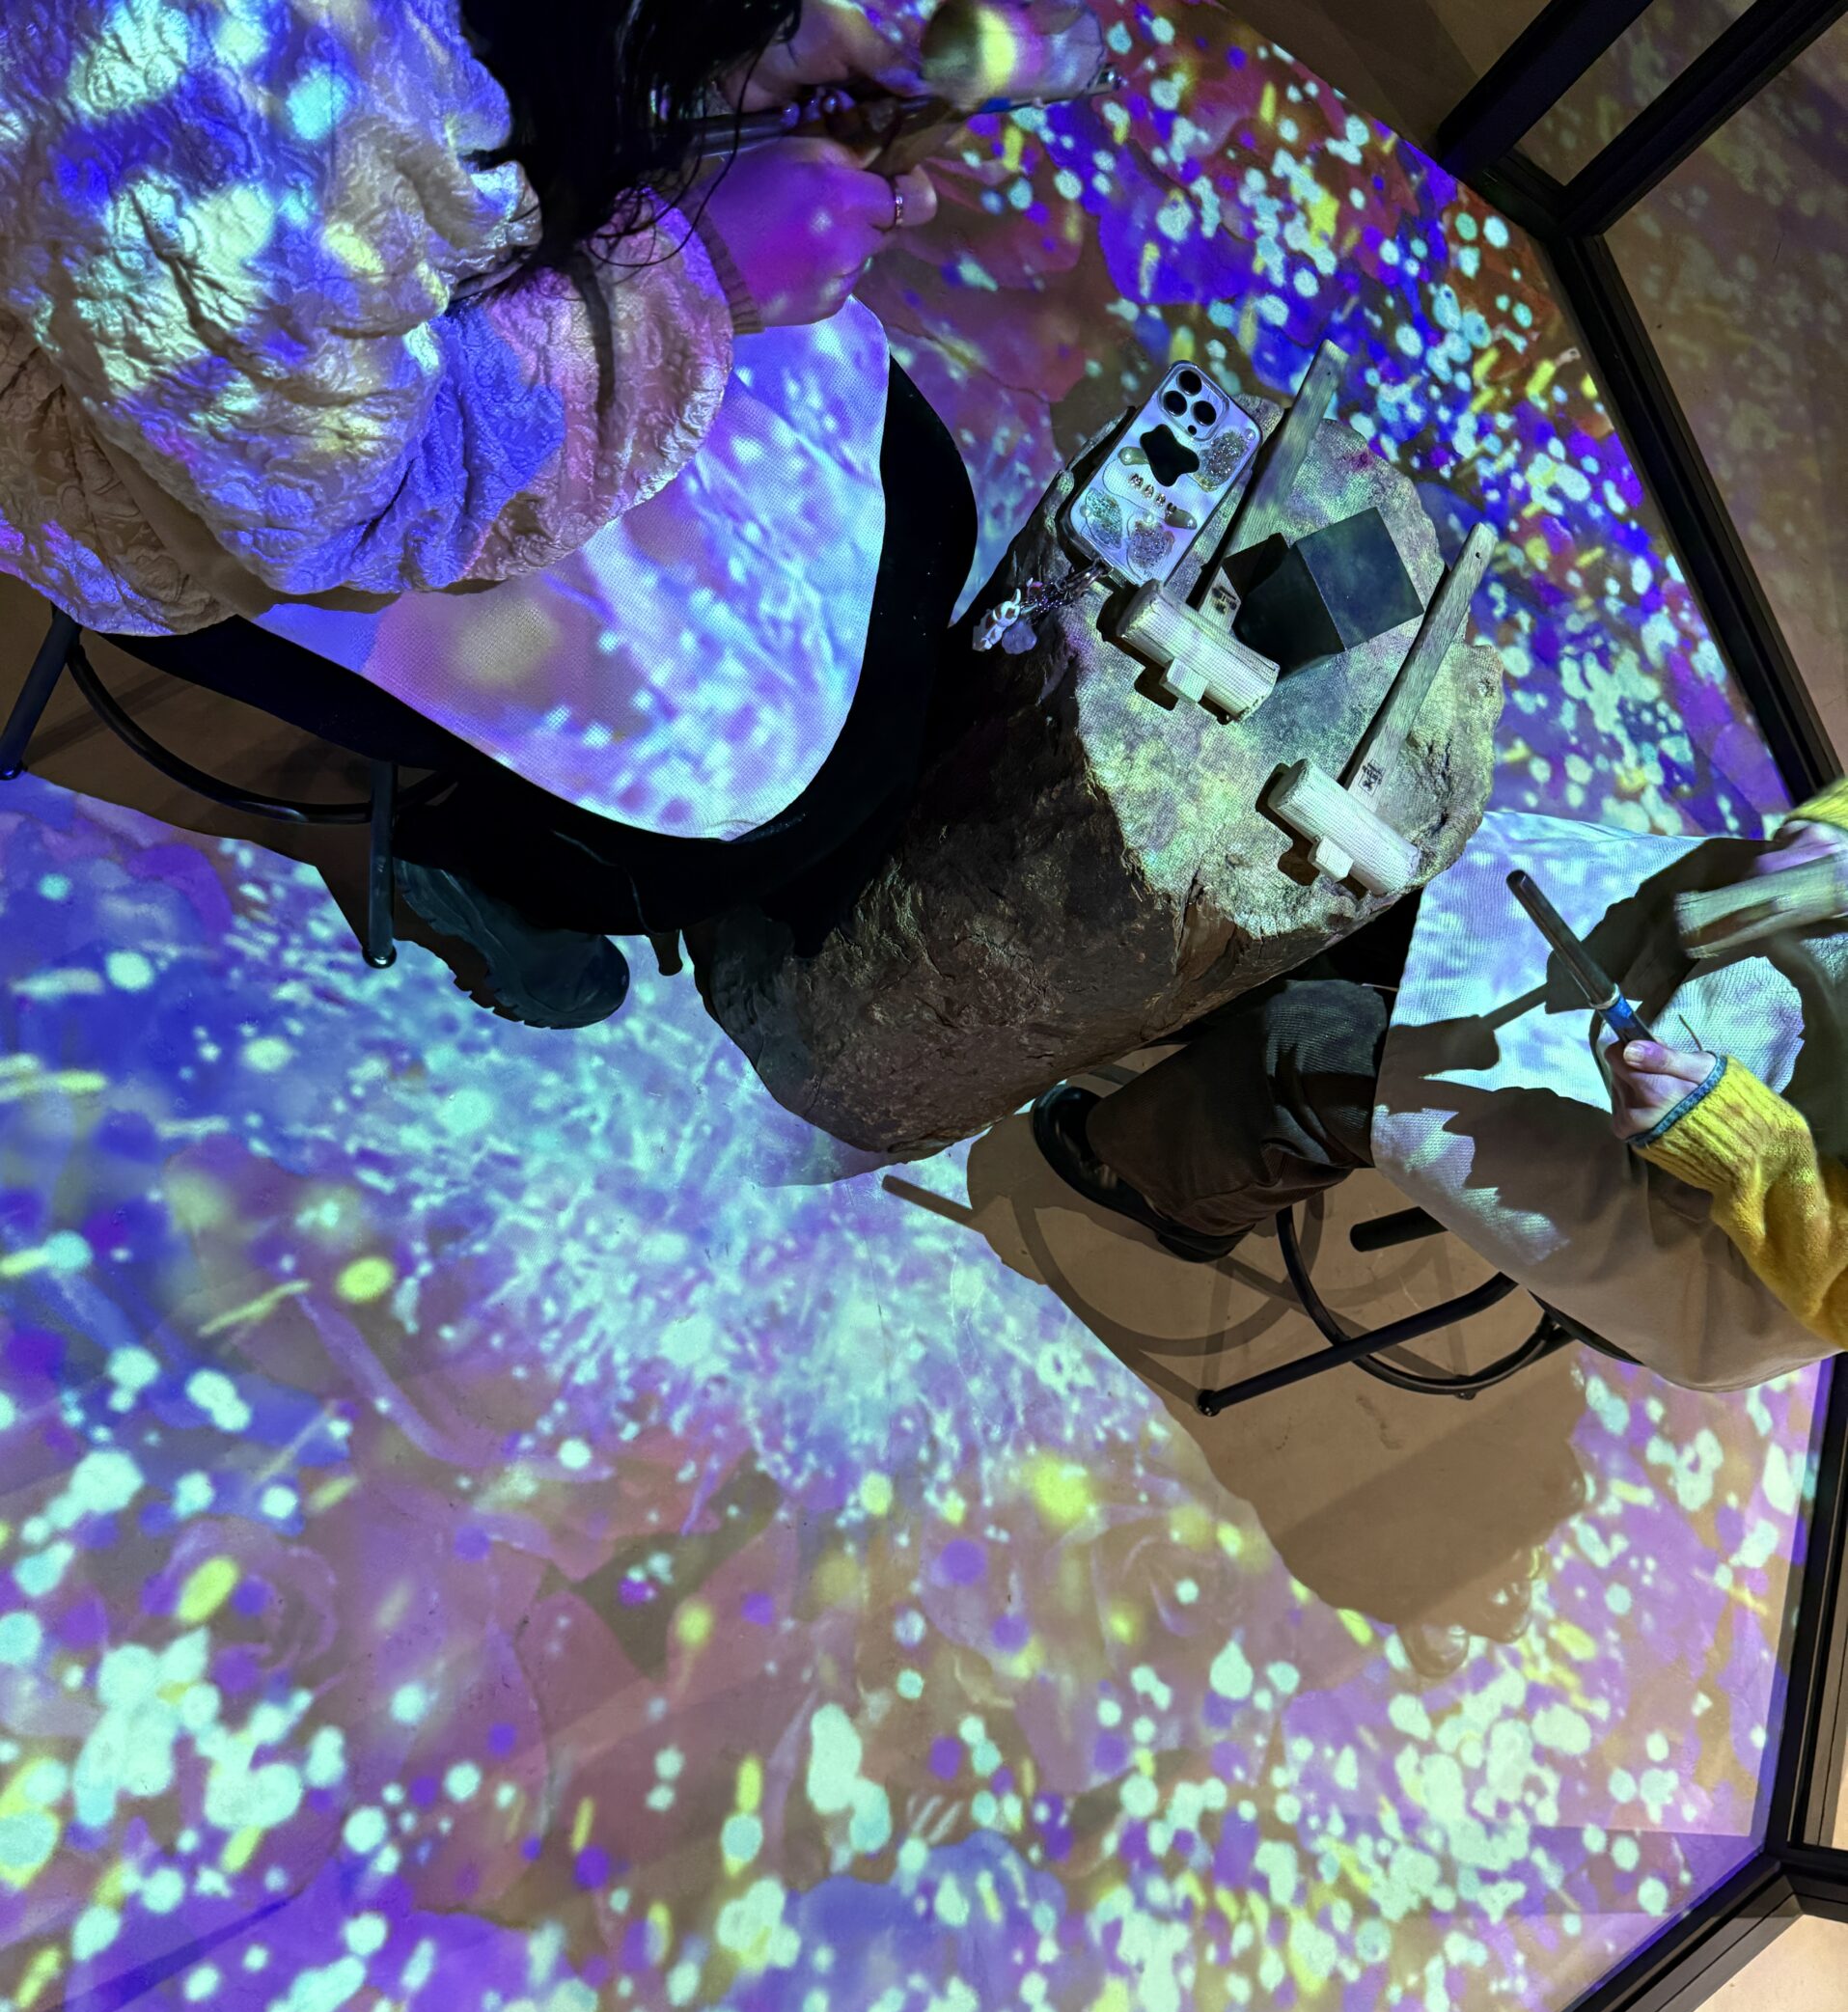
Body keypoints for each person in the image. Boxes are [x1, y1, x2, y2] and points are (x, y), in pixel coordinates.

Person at [0, 0, 972, 1027]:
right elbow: (344, 518)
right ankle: (469, 861)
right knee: (763, 813)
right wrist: (696, 285)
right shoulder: (167, 76)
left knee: (924, 502)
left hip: (477, 264)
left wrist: (711, 71)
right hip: (213, 491)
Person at [1032, 778, 1848, 1392]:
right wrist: (1832, 833)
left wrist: (1745, 1149)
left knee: (1316, 1046)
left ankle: (1173, 1193)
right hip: (1771, 970)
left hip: (1764, 1236)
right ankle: (1186, 1020)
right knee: (1396, 892)